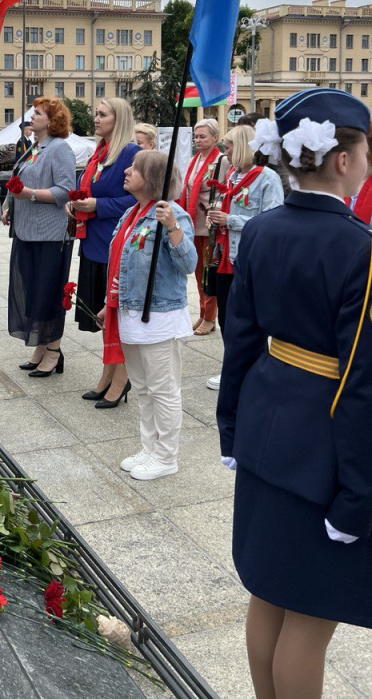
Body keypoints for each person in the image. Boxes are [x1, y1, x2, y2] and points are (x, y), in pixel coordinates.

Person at [217, 89, 372, 699]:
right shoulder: (360, 248)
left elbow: (241, 341)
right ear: (341, 159)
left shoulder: (259, 231)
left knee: (270, 596)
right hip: (322, 452)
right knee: (309, 620)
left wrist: (231, 428)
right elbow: (360, 384)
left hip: (265, 430)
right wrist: (360, 493)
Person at [97, 151, 196, 481]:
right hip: (130, 314)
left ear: (152, 178)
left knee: (163, 389)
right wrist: (109, 304)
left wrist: (173, 228)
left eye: (135, 168)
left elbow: (188, 264)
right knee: (141, 387)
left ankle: (167, 456)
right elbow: (123, 268)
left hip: (159, 318)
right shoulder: (132, 212)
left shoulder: (172, 214)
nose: (126, 170)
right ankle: (150, 447)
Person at [65, 98, 139, 407]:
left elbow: (136, 200)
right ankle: (107, 375)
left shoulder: (132, 152)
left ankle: (121, 379)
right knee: (105, 317)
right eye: (96, 113)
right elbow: (91, 190)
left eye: (102, 114)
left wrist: (97, 206)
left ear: (118, 119)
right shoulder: (101, 151)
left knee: (116, 315)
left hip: (115, 244)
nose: (95, 119)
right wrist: (76, 204)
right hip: (94, 241)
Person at [1, 97, 76, 375]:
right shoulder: (35, 147)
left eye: (38, 113)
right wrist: (10, 204)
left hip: (50, 235)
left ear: (52, 121)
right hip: (27, 231)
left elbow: (66, 191)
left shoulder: (60, 149)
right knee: (33, 292)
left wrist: (28, 195)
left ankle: (53, 351)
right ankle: (41, 347)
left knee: (48, 293)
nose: (32, 117)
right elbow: (20, 179)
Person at [205, 125, 284, 390]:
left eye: (228, 147)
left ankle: (254, 372)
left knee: (249, 323)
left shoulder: (267, 178)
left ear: (242, 147)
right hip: (225, 258)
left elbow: (272, 222)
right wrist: (216, 215)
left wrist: (231, 219)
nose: (225, 153)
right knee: (228, 320)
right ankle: (233, 369)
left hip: (247, 260)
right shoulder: (232, 177)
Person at [178, 118, 230, 336]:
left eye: (202, 136)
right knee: (199, 273)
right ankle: (202, 312)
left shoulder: (221, 161)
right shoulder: (194, 159)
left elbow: (226, 191)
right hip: (194, 221)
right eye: (195, 136)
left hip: (209, 225)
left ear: (215, 138)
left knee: (209, 272)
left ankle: (210, 317)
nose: (197, 140)